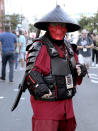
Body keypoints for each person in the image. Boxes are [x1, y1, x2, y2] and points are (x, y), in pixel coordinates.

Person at [26, 6, 87, 131]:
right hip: (47, 110)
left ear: (66, 28)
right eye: (55, 25)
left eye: (62, 25)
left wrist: (81, 70)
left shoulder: (69, 47)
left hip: (67, 108)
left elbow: (75, 70)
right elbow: (31, 72)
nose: (59, 29)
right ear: (48, 26)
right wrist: (39, 86)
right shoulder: (39, 46)